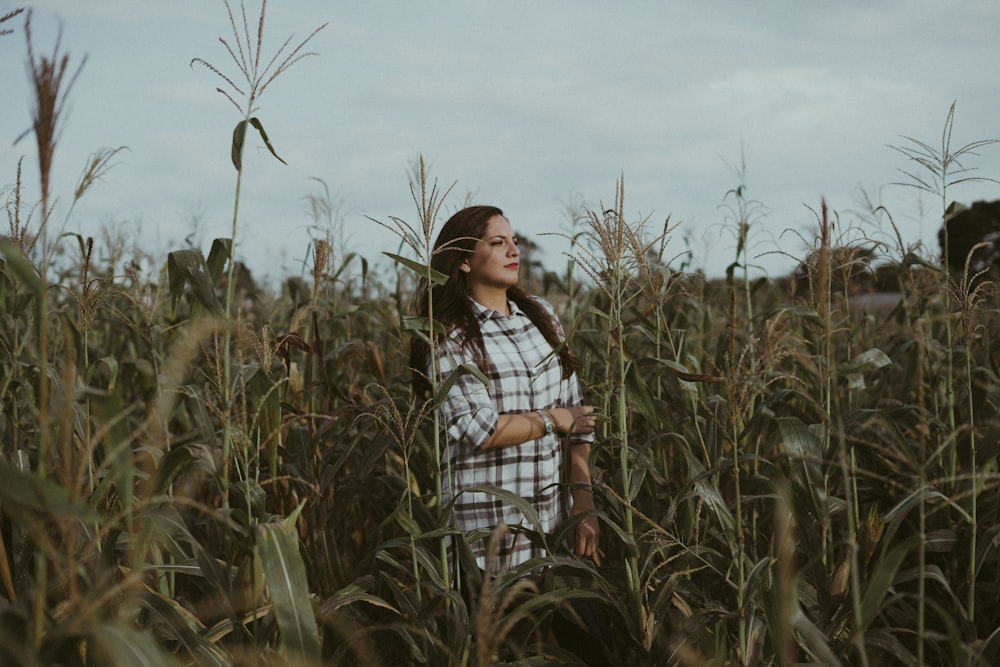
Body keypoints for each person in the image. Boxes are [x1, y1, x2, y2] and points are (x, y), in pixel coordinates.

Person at [409, 205, 600, 575]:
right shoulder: (448, 335)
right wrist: (554, 419)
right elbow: (479, 429)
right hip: (487, 548)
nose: (514, 251)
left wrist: (583, 502)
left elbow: (579, 419)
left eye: (514, 241)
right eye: (498, 243)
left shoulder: (542, 317)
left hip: (555, 536)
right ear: (464, 260)